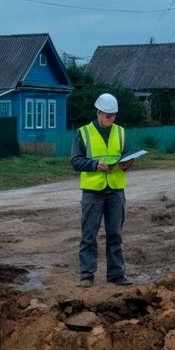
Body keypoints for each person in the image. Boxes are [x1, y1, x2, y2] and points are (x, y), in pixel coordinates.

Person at [71, 92, 133, 287]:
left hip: (115, 190)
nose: (111, 119)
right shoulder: (83, 133)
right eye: (108, 116)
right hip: (93, 191)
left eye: (114, 116)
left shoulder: (121, 132)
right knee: (89, 234)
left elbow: (128, 155)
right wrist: (94, 165)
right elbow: (75, 161)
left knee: (115, 234)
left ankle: (116, 274)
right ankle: (87, 274)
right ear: (98, 113)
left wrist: (126, 164)